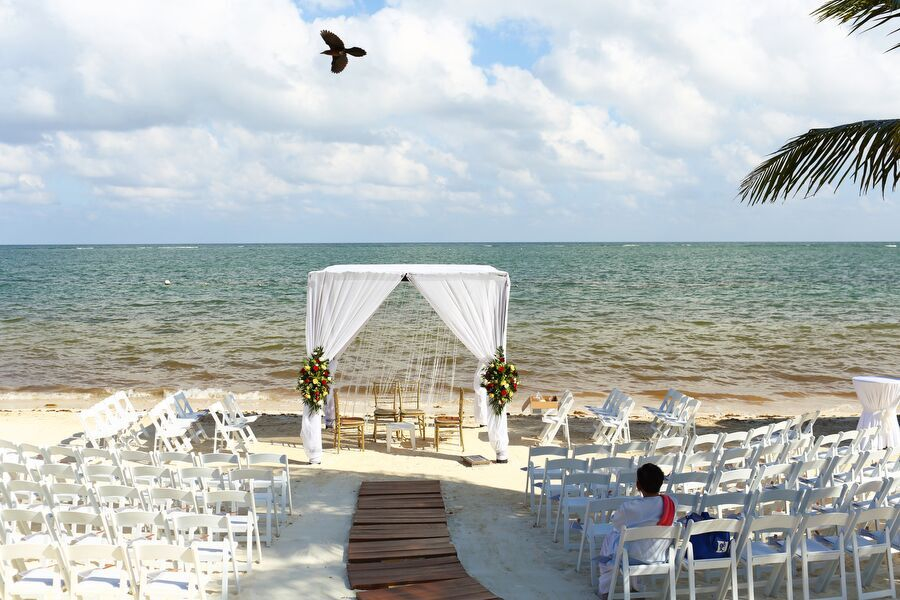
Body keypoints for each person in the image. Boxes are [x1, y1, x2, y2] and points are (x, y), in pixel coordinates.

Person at [596, 463, 675, 598]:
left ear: (638, 485)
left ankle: (605, 590)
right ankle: (637, 586)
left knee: (612, 537)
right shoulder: (671, 503)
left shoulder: (629, 507)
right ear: (661, 483)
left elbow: (616, 523)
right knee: (631, 540)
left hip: (631, 557)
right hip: (660, 555)